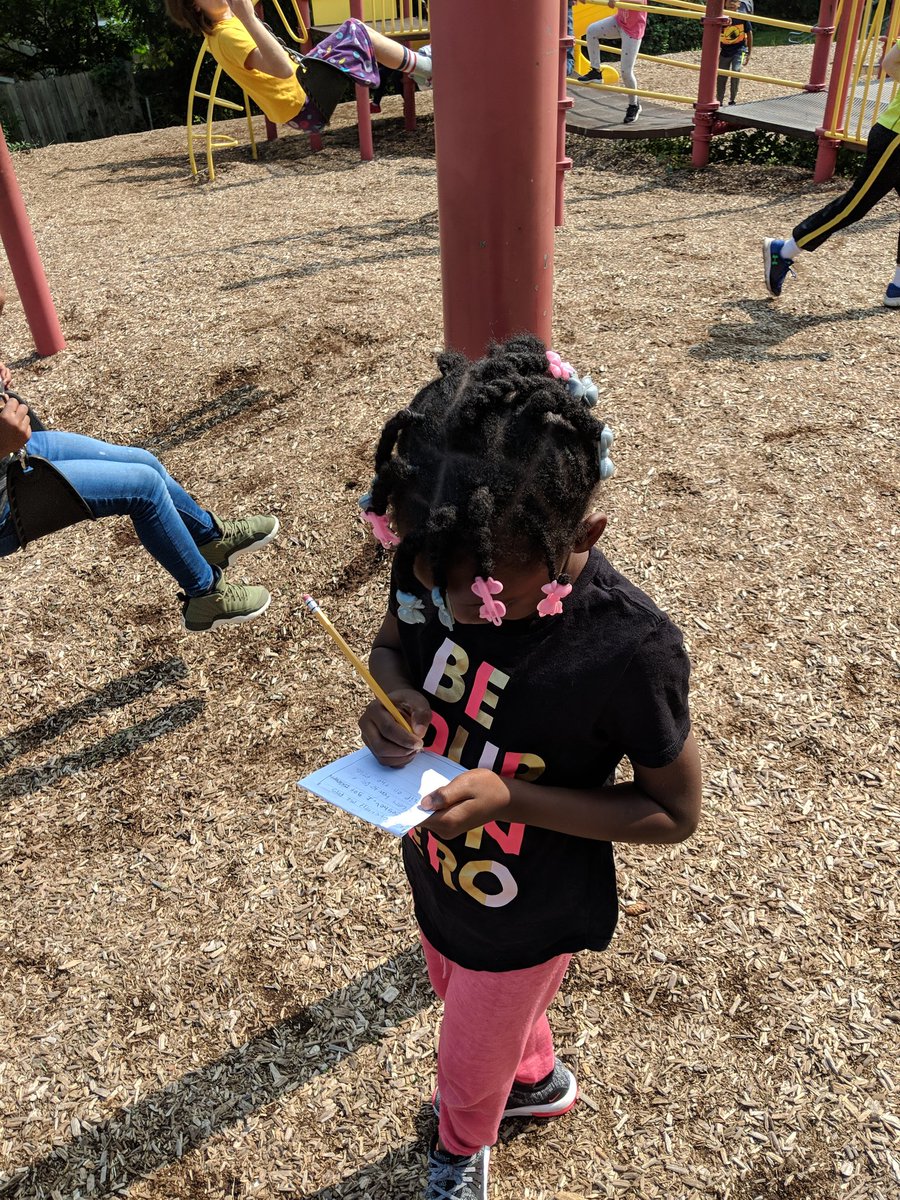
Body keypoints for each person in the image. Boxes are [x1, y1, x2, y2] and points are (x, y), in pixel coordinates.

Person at [356, 335, 702, 1200]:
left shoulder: (629, 649)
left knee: (464, 1060)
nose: (457, 609)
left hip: (533, 909)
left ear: (584, 532)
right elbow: (396, 642)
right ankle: (533, 1076)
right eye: (439, 583)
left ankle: (459, 1147)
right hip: (442, 871)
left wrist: (516, 797)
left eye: (489, 590)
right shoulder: (445, 556)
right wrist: (394, 698)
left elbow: (673, 813)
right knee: (454, 984)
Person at [0, 353, 278, 633]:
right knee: (145, 489)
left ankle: (210, 539)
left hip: (12, 449)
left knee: (145, 461)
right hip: (5, 496)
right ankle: (205, 596)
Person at [764, 38, 900, 307]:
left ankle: (898, 286)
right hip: (896, 138)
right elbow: (890, 62)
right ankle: (784, 250)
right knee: (857, 205)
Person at [165, 0, 432, 135]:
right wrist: (248, 17)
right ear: (194, 5)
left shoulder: (224, 22)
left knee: (355, 34)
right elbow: (281, 69)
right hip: (304, 102)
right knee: (356, 30)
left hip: (300, 96)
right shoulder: (226, 36)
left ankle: (421, 72)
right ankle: (427, 68)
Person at [577, 0, 647, 125]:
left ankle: (634, 105)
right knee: (592, 30)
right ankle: (596, 71)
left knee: (626, 71)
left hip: (633, 29)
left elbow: (640, 1)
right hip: (620, 21)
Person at [717, 0, 752, 106]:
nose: (731, 4)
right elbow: (715, 33)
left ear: (739, 5)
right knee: (722, 76)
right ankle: (719, 100)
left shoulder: (742, 17)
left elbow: (749, 33)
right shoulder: (722, 17)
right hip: (725, 51)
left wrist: (749, 53)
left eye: (734, 1)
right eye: (729, 1)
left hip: (739, 49)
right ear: (724, 4)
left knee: (736, 71)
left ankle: (732, 100)